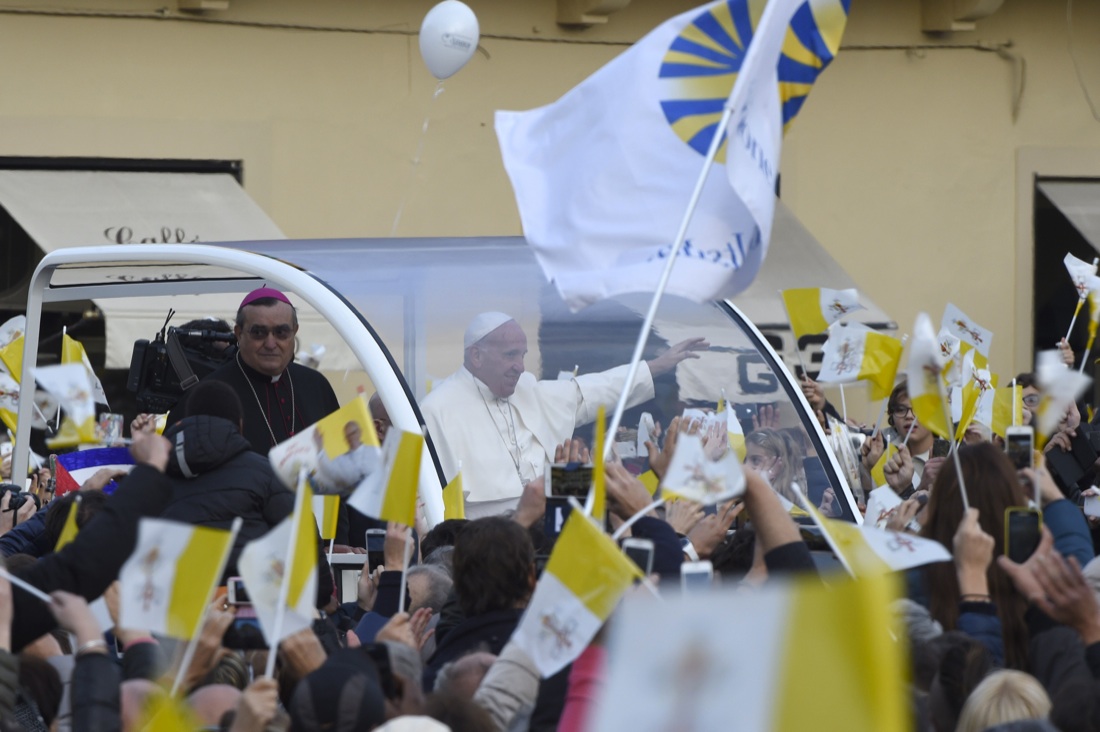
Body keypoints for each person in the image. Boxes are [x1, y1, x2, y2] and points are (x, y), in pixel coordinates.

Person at [421, 312, 708, 517]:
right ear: (476, 356)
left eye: (523, 355)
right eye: (510, 355)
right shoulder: (437, 409)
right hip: (484, 538)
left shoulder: (526, 389)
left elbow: (593, 390)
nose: (520, 366)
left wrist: (656, 366)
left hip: (548, 524)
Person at [165, 287, 340, 456]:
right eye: (258, 332)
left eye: (281, 332)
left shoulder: (316, 385)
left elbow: (340, 451)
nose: (270, 344)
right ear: (239, 333)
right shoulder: (206, 396)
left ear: (294, 332)